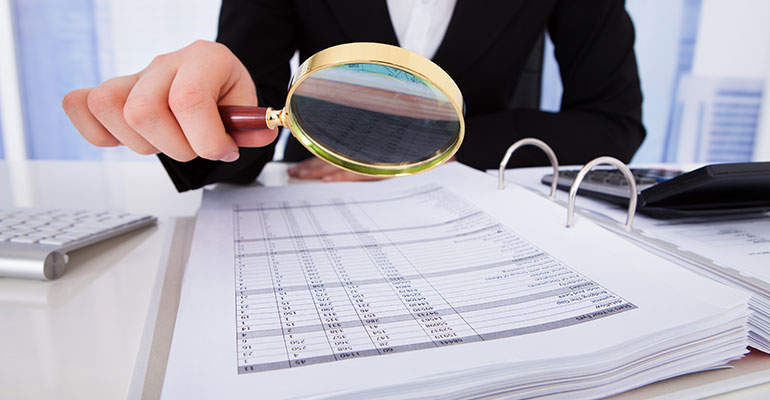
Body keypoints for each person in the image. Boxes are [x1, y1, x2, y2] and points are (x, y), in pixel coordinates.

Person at [63, 0, 645, 192]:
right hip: (317, 200)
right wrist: (189, 111)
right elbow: (252, 140)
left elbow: (615, 122)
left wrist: (420, 150)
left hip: (476, 192)